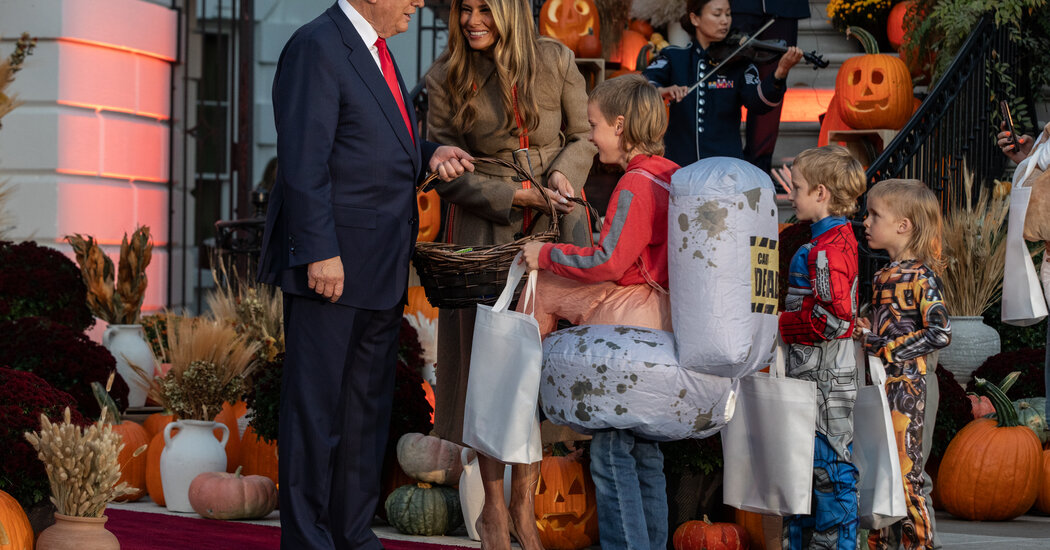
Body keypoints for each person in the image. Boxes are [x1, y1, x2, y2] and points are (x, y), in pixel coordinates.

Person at [257, 1, 475, 548]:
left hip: (379, 266)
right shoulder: (317, 46)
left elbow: (370, 141)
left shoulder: (377, 51)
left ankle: (354, 535)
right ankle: (308, 540)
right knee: (316, 411)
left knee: (363, 414)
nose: (418, 3)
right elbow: (303, 160)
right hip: (332, 267)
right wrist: (318, 252)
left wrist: (429, 152)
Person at [425, 0, 597, 548]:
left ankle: (526, 505)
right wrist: (515, 193)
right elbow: (443, 173)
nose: (473, 20)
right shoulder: (445, 74)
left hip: (554, 229)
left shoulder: (557, 58)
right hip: (485, 232)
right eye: (465, 9)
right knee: (490, 372)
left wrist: (565, 179)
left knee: (539, 368)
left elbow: (584, 136)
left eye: (485, 9)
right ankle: (494, 510)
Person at [520, 73, 677, 550]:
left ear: (621, 125)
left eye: (594, 126)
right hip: (661, 319)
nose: (590, 137)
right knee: (643, 451)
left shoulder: (634, 183)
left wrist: (542, 255)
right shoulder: (668, 174)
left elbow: (608, 261)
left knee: (608, 449)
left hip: (628, 324)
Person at [854, 179, 951, 550]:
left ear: (903, 225)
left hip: (913, 390)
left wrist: (882, 343)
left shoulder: (921, 276)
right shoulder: (883, 275)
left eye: (875, 214)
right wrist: (868, 327)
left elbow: (940, 332)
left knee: (908, 474)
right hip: (884, 387)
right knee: (883, 473)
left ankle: (922, 545)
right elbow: (886, 327)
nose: (865, 221)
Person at [778, 144, 866, 549]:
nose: (790, 195)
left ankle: (836, 543)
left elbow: (832, 320)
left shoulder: (828, 249)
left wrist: (779, 325)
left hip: (824, 377)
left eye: (796, 188)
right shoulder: (828, 240)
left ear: (821, 193)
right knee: (806, 467)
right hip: (811, 373)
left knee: (828, 466)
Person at [641, 0, 803, 168]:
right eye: (717, 14)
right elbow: (644, 82)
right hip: (678, 168)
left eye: (728, 14)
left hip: (725, 174)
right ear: (695, 19)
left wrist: (779, 74)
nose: (725, 21)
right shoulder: (674, 57)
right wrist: (661, 91)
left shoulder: (740, 64)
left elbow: (759, 103)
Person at [731, 0, 810, 173]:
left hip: (782, 6)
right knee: (727, 82)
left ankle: (759, 168)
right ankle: (722, 157)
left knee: (773, 84)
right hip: (736, 5)